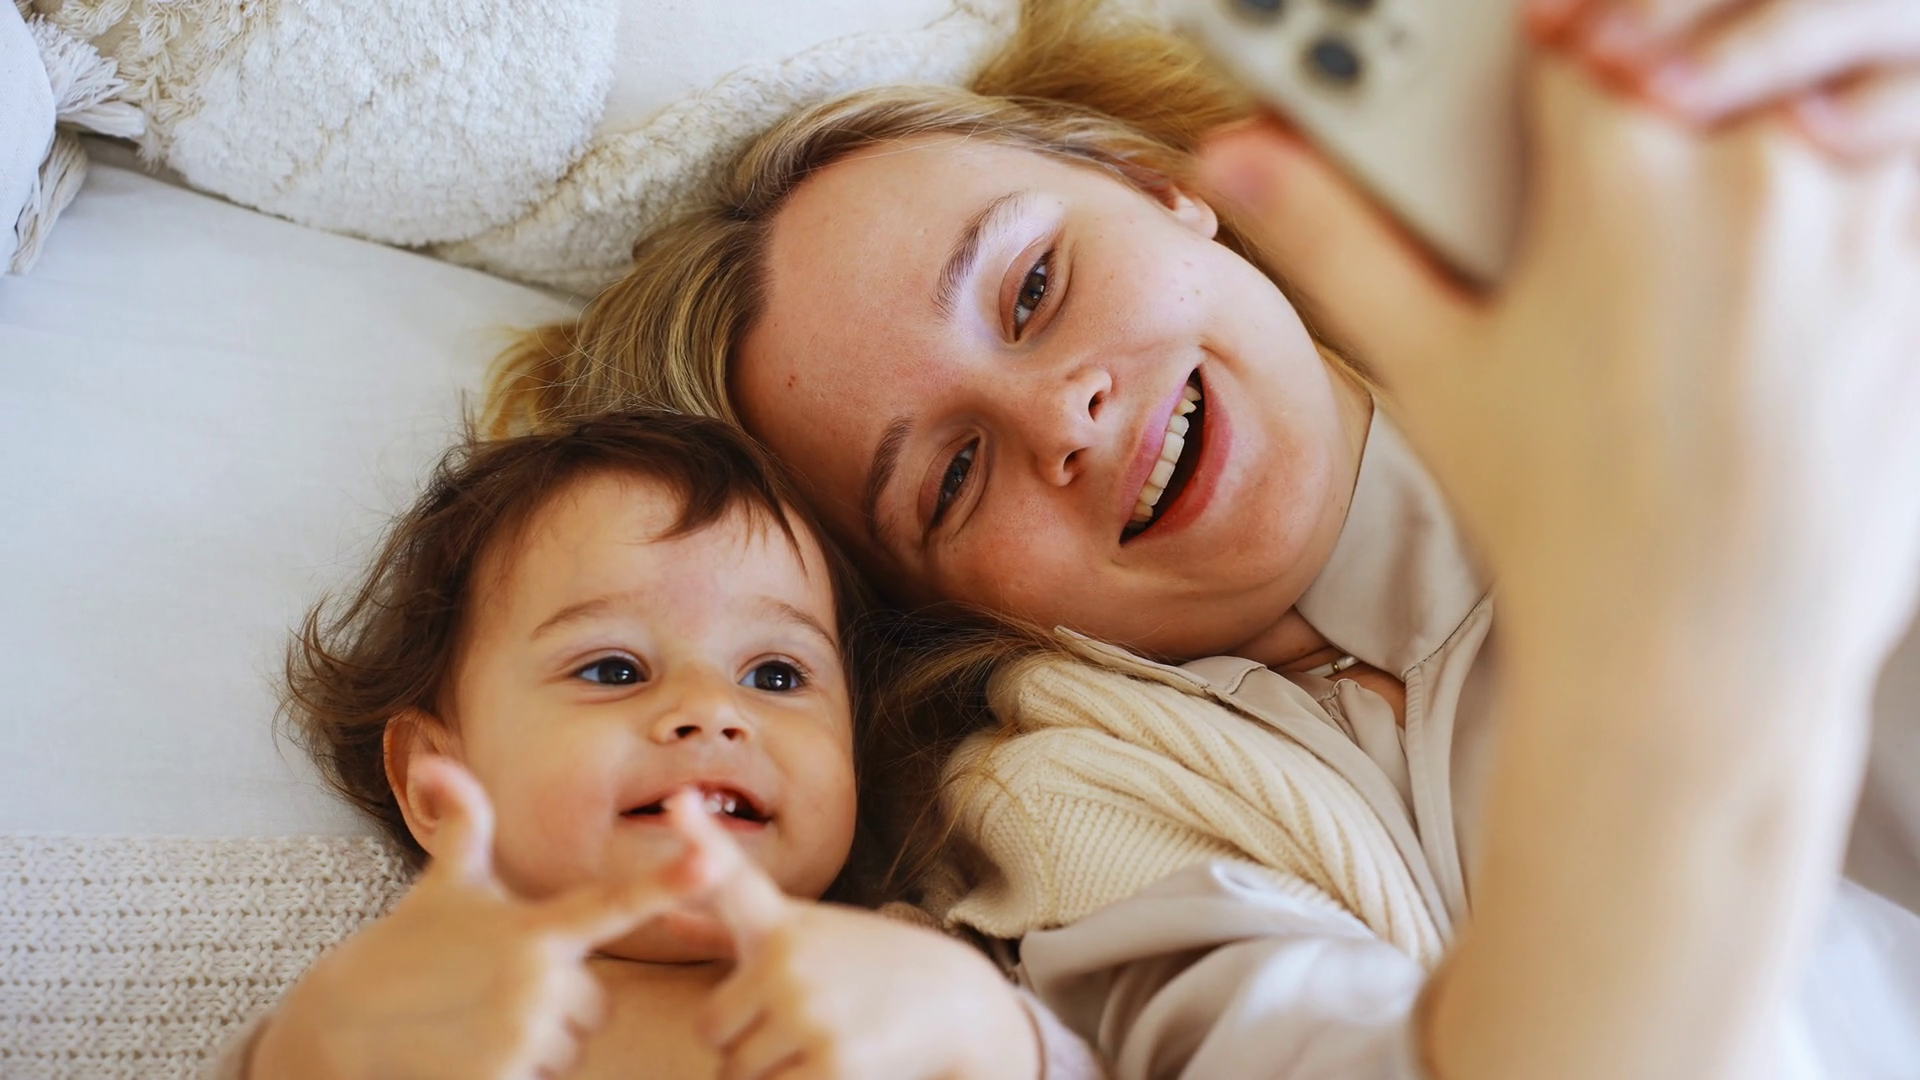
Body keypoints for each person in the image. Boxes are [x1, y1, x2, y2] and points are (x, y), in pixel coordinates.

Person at [486, 0, 1920, 1075]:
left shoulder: (1703, 282)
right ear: (937, 607)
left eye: (1034, 286)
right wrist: (1700, 662)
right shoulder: (1068, 813)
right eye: (953, 480)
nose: (1060, 416)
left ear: (1155, 186)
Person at [223, 412, 1093, 1080]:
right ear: (435, 782)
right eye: (613, 669)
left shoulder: (903, 977)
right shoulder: (433, 1016)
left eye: (777, 675)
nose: (711, 711)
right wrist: (313, 1048)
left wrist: (985, 1030)